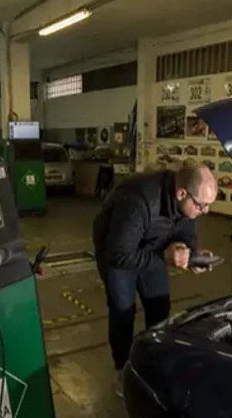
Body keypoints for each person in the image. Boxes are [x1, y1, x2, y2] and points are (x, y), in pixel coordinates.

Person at [92, 165, 218, 396]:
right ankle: (123, 369)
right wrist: (164, 257)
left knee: (159, 307)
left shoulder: (188, 203)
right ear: (181, 193)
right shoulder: (138, 200)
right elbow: (119, 254)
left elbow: (186, 233)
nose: (206, 211)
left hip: (154, 248)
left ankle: (155, 362)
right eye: (202, 205)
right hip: (117, 254)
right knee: (123, 312)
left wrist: (191, 255)